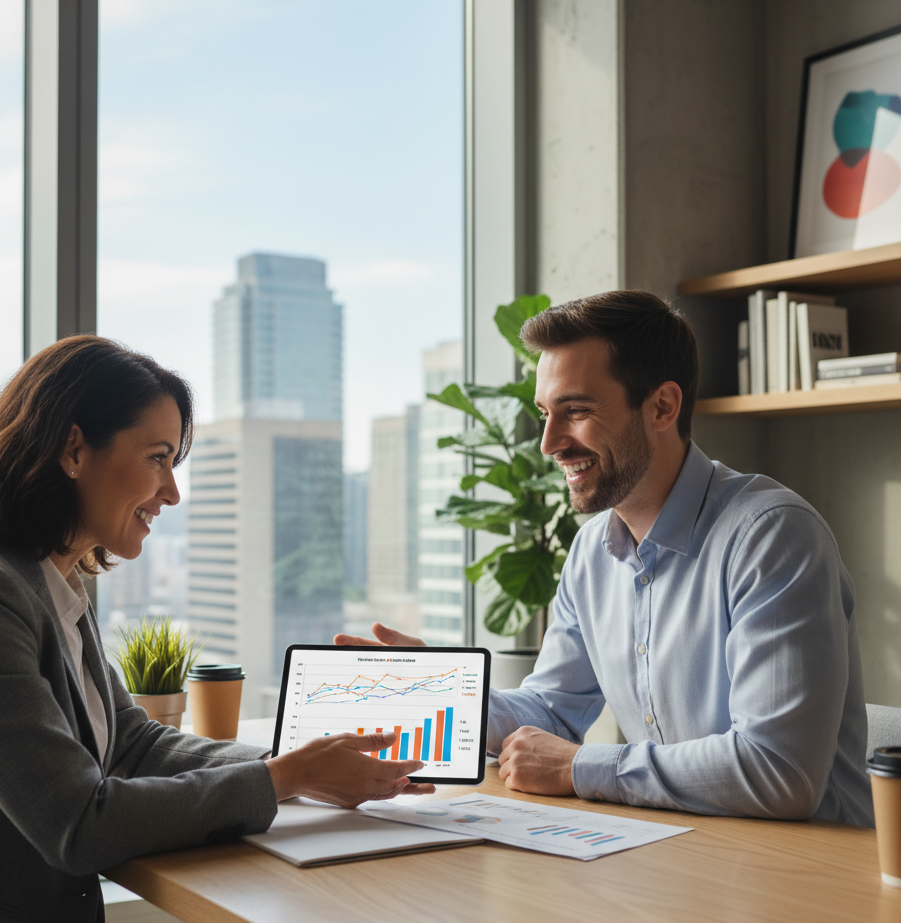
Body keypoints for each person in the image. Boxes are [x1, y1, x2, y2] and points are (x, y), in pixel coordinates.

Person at [0, 335, 432, 923]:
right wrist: (282, 781)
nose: (172, 491)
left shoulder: (49, 585)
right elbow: (79, 823)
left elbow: (132, 744)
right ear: (73, 449)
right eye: (158, 458)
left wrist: (293, 766)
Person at [337, 290, 873, 828]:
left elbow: (777, 773)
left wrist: (578, 768)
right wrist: (448, 696)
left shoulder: (770, 535)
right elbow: (551, 708)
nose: (549, 443)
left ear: (662, 406)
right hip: (685, 855)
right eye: (546, 413)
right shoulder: (592, 552)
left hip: (808, 876)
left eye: (576, 412)